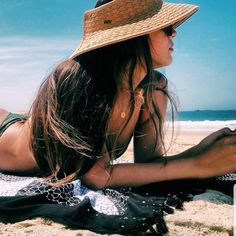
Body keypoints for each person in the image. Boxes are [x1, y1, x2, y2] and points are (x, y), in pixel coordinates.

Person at [0, 0, 236, 190]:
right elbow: (96, 176)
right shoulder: (81, 79)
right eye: (166, 28)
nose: (174, 34)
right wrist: (199, 165)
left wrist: (203, 150)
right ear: (135, 35)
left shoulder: (153, 88)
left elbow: (151, 165)